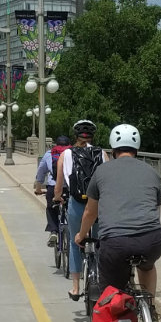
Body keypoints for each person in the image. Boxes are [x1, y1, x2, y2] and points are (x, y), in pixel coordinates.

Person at [75, 123, 161, 322]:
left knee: (108, 301)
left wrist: (81, 236)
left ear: (113, 148)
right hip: (152, 238)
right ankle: (149, 306)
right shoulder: (151, 171)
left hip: (115, 244)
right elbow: (156, 211)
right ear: (136, 147)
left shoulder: (102, 171)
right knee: (147, 266)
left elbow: (90, 214)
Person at [53, 119, 105, 302]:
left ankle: (75, 287)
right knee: (100, 241)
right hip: (98, 204)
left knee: (76, 241)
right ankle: (103, 282)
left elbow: (59, 185)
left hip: (77, 202)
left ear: (75, 136)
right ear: (93, 136)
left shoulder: (66, 154)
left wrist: (57, 196)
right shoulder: (102, 153)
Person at [34, 135, 71, 247]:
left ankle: (54, 231)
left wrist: (38, 188)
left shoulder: (49, 154)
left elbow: (41, 171)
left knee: (51, 208)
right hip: (70, 188)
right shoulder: (73, 154)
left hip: (53, 188)